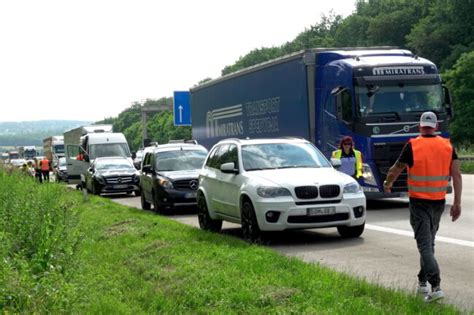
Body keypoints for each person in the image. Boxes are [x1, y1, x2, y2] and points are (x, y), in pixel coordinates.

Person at [383, 111, 462, 303]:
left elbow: (396, 168)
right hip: (438, 202)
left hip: (419, 203)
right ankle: (421, 282)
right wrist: (457, 202)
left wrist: (387, 183)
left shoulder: (413, 145)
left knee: (425, 245)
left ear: (420, 126)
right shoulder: (447, 146)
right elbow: (457, 175)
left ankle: (436, 286)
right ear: (435, 127)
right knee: (429, 244)